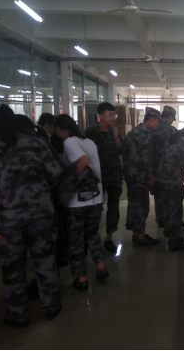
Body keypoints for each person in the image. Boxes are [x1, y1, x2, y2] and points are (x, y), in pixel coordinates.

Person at [0, 105, 63, 327]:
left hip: (8, 219)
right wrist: (41, 191)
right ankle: (51, 306)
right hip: (42, 213)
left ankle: (18, 315)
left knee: (12, 267)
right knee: (45, 260)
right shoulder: (36, 143)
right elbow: (56, 172)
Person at [54, 114, 109, 291]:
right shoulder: (89, 142)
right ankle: (101, 267)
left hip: (77, 201)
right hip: (96, 198)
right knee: (92, 234)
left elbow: (83, 161)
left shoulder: (69, 142)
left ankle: (81, 278)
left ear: (60, 129)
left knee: (75, 239)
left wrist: (69, 179)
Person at [155, 121, 184, 252]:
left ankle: (169, 232)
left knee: (167, 208)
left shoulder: (174, 137)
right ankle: (174, 241)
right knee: (175, 210)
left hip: (162, 178)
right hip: (172, 179)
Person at [85, 103, 124, 254]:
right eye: (110, 114)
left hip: (113, 174)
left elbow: (121, 150)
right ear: (100, 115)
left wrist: (116, 137)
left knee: (113, 207)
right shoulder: (90, 132)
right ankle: (92, 238)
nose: (113, 117)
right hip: (96, 175)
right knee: (95, 207)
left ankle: (109, 238)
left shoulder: (114, 131)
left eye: (114, 115)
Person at [123, 107, 161, 246]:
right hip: (140, 175)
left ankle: (135, 233)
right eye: (157, 122)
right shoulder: (146, 134)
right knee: (142, 206)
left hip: (130, 175)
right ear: (151, 120)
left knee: (133, 204)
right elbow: (147, 158)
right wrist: (151, 174)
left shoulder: (132, 132)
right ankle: (141, 237)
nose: (158, 125)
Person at [152, 106, 177, 228]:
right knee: (170, 196)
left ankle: (160, 219)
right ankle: (170, 220)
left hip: (154, 168)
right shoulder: (172, 130)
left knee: (158, 195)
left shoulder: (153, 128)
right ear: (170, 117)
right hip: (169, 169)